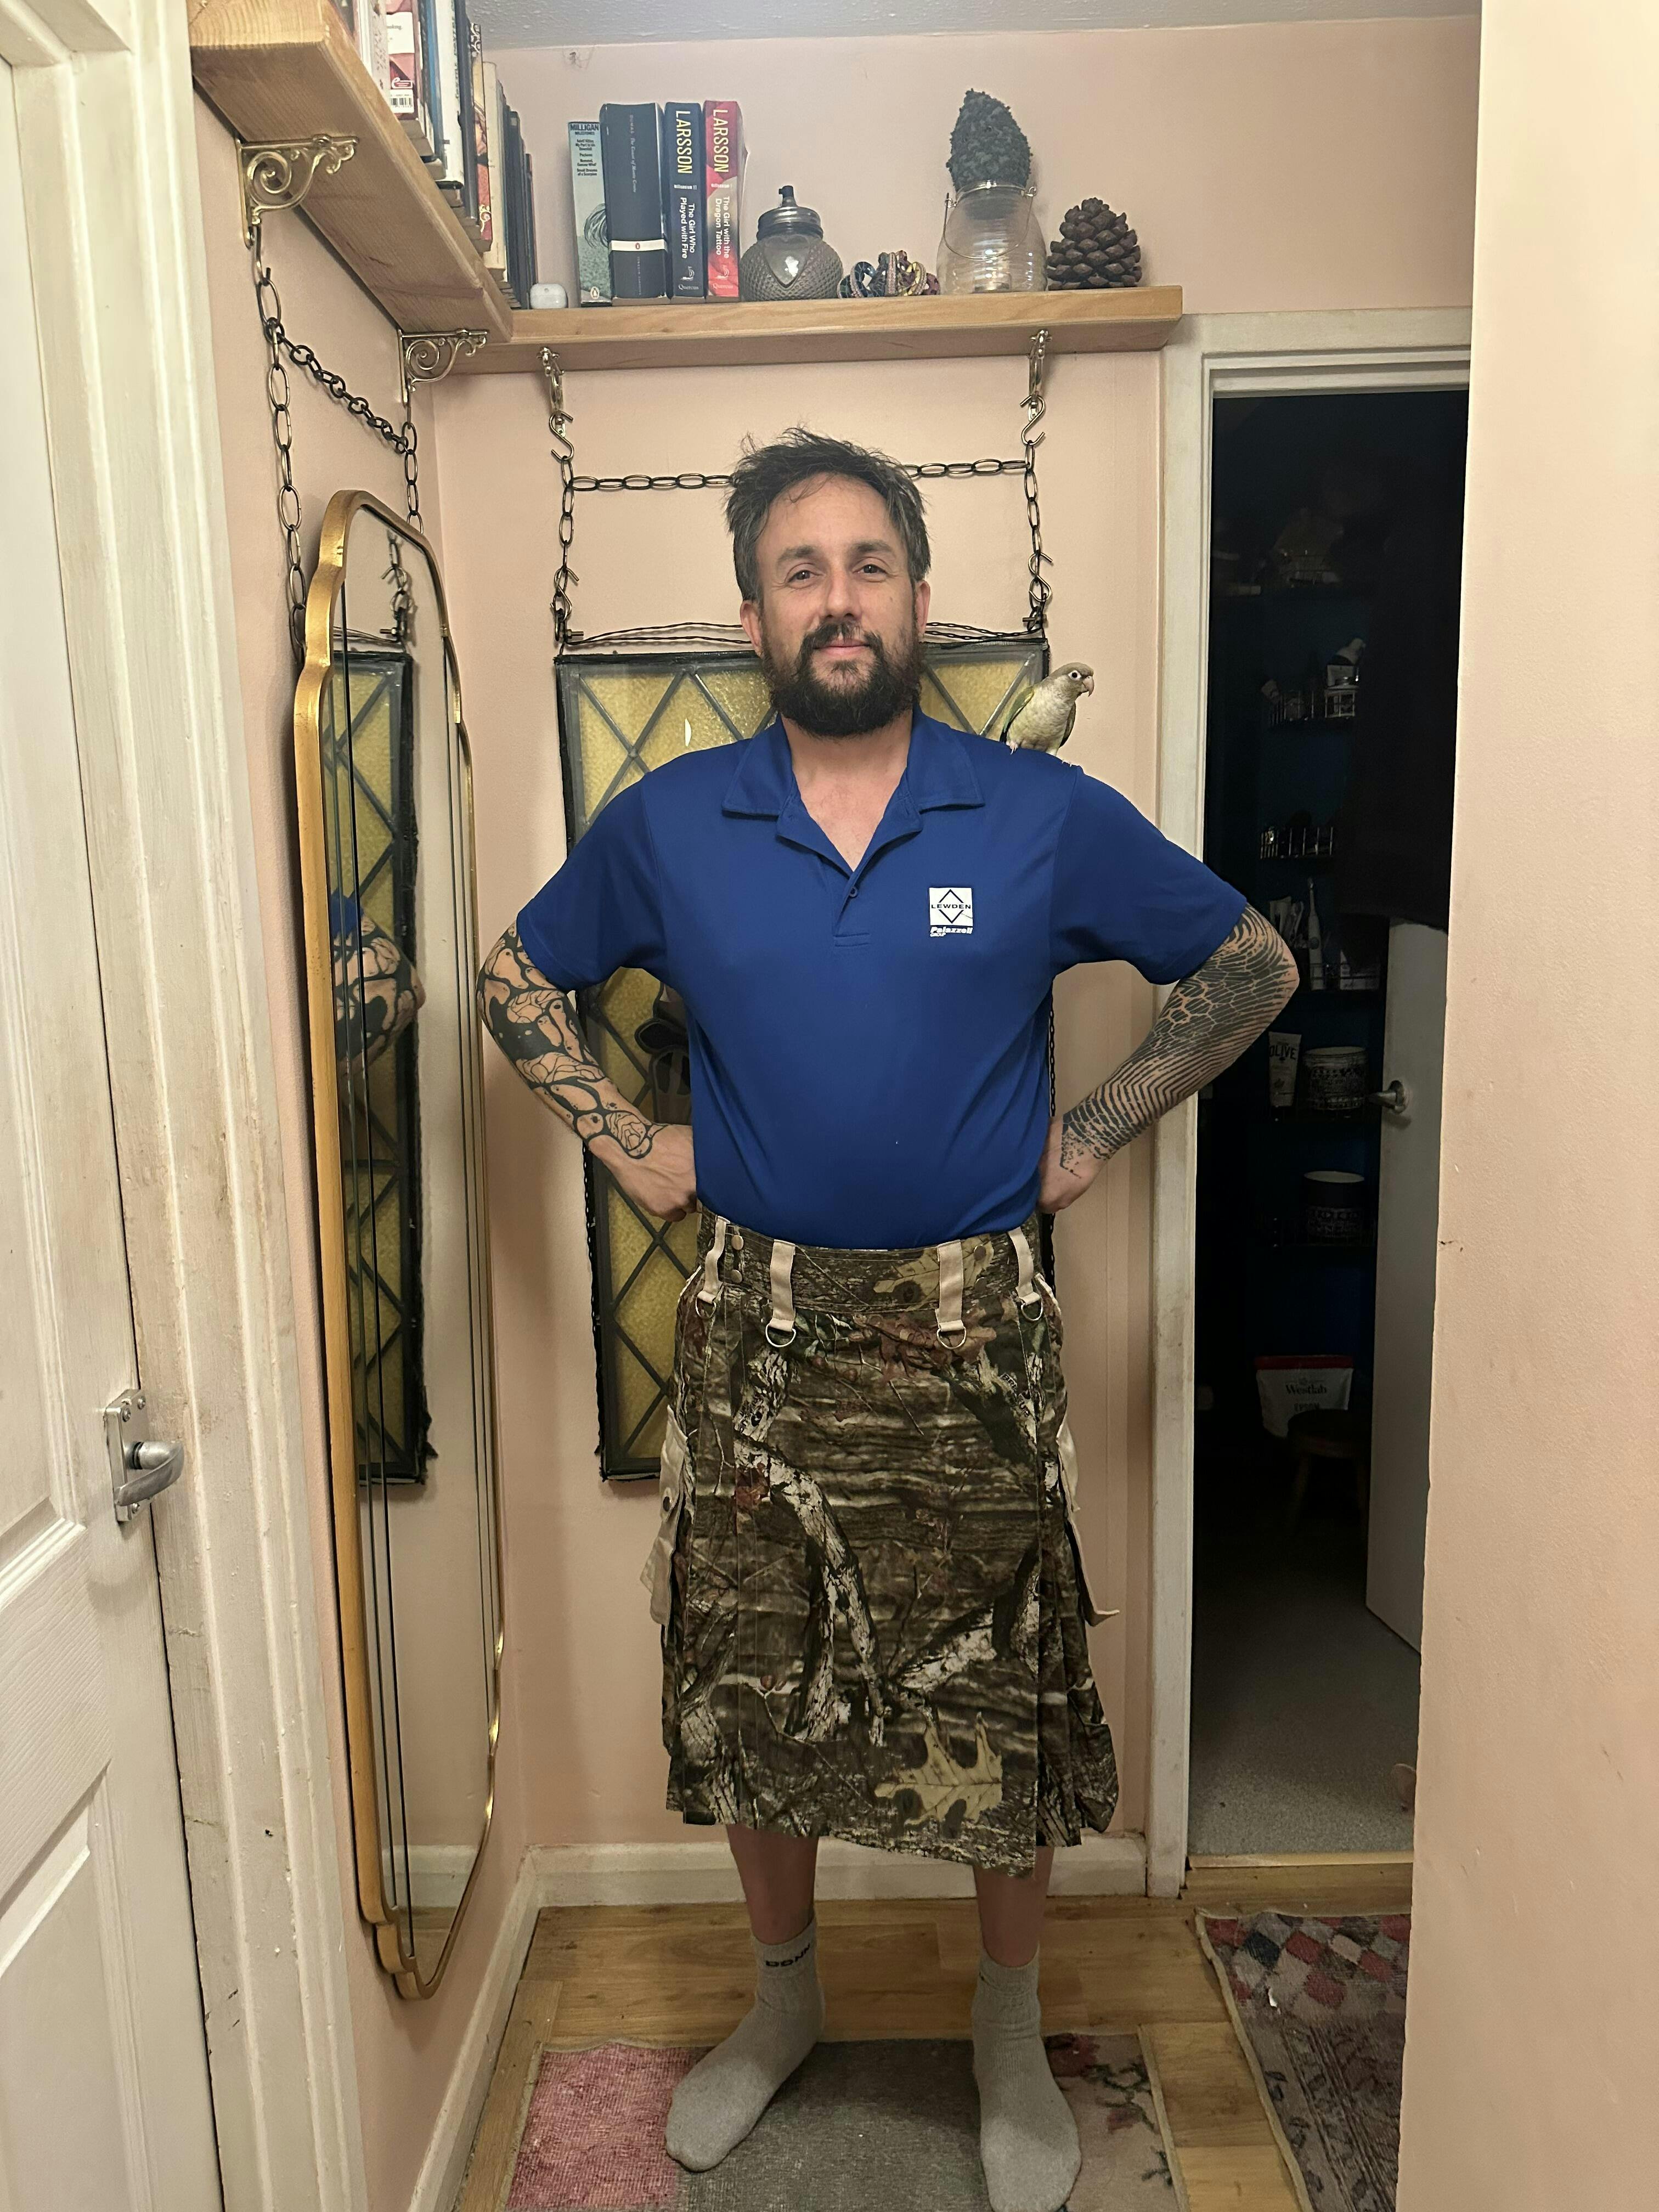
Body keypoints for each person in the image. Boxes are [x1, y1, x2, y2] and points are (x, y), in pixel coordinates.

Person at [478, 430, 1296, 2212]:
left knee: (999, 1695)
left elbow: (1252, 965)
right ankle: (786, 2005)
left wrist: (1095, 1128)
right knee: (755, 1686)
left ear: (919, 598)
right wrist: (624, 1139)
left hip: (973, 1337)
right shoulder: (675, 822)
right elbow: (513, 975)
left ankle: (1005, 2032)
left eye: (868, 564)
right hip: (757, 1340)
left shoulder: (1033, 814)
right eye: (801, 570)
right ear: (755, 616)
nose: (837, 598)